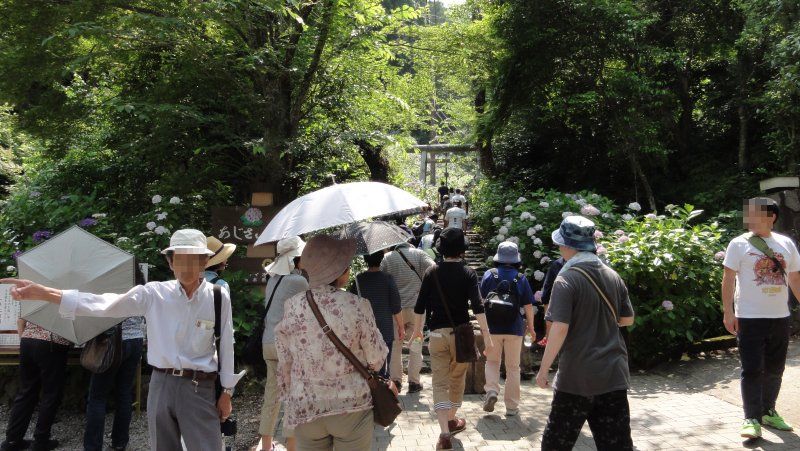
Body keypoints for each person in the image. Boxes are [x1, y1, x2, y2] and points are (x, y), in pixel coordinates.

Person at [2, 229, 244, 450]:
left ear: (204, 261)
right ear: (170, 262)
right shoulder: (154, 293)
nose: (187, 266)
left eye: (194, 259)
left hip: (200, 386)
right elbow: (105, 304)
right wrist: (46, 293)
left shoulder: (217, 296)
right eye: (180, 259)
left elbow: (226, 345)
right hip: (161, 384)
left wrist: (226, 392)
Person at [275, 235, 388, 450]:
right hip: (352, 405)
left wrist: (291, 392)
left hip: (306, 405)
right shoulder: (358, 305)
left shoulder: (292, 306)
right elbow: (376, 359)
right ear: (341, 271)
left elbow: (285, 360)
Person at [536, 216, 634, 451]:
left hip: (576, 378)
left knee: (555, 445)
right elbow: (627, 319)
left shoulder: (566, 279)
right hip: (613, 375)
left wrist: (543, 369)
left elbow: (560, 328)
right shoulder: (613, 276)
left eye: (560, 244)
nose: (559, 248)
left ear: (568, 246)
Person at [721, 197, 800, 438]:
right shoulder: (739, 244)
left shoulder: (786, 243)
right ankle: (751, 418)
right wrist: (728, 312)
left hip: (780, 317)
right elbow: (728, 279)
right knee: (752, 369)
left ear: (771, 217)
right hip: (749, 317)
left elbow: (795, 279)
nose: (750, 219)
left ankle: (768, 411)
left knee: (775, 368)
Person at [411, 227, 494, 450]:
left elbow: (419, 307)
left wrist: (417, 331)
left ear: (442, 249)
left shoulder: (431, 272)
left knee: (439, 382)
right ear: (462, 251)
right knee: (457, 379)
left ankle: (444, 432)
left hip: (437, 335)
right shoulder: (468, 273)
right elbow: (478, 307)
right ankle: (451, 418)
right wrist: (487, 337)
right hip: (461, 336)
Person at [259, 237, 309, 451]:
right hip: (288, 347)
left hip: (268, 343)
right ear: (295, 259)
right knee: (293, 397)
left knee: (271, 397)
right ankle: (292, 447)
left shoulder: (273, 280)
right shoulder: (298, 281)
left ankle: (266, 446)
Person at [479, 241, 536, 417]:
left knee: (492, 362)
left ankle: (492, 391)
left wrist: (482, 326)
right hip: (514, 328)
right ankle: (511, 407)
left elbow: (481, 302)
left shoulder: (489, 274)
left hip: (492, 328)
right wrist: (531, 328)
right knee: (513, 368)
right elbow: (528, 306)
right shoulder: (521, 278)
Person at [0, 321, 70, 451]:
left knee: (26, 391)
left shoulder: (32, 305)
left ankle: (12, 440)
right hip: (52, 344)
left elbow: (20, 321)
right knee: (51, 394)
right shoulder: (66, 305)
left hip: (27, 341)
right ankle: (40, 442)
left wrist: (25, 340)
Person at [83, 315, 145, 451]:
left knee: (97, 397)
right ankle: (120, 442)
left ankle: (93, 446)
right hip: (136, 338)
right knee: (124, 393)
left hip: (113, 340)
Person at [381, 240, 435, 393]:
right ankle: (414, 382)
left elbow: (381, 277)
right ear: (409, 242)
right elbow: (433, 268)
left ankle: (396, 381)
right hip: (417, 309)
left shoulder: (388, 257)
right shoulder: (419, 254)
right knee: (416, 345)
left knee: (396, 346)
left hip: (395, 309)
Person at [352, 251, 403, 378]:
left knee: (364, 367)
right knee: (383, 368)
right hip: (385, 329)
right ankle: (382, 387)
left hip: (362, 329)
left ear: (365, 259)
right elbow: (396, 306)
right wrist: (401, 327)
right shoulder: (388, 279)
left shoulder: (358, 280)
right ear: (381, 259)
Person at [536, 257, 565, 347]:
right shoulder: (595, 263)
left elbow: (547, 296)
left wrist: (548, 333)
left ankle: (549, 339)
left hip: (560, 312)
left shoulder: (558, 264)